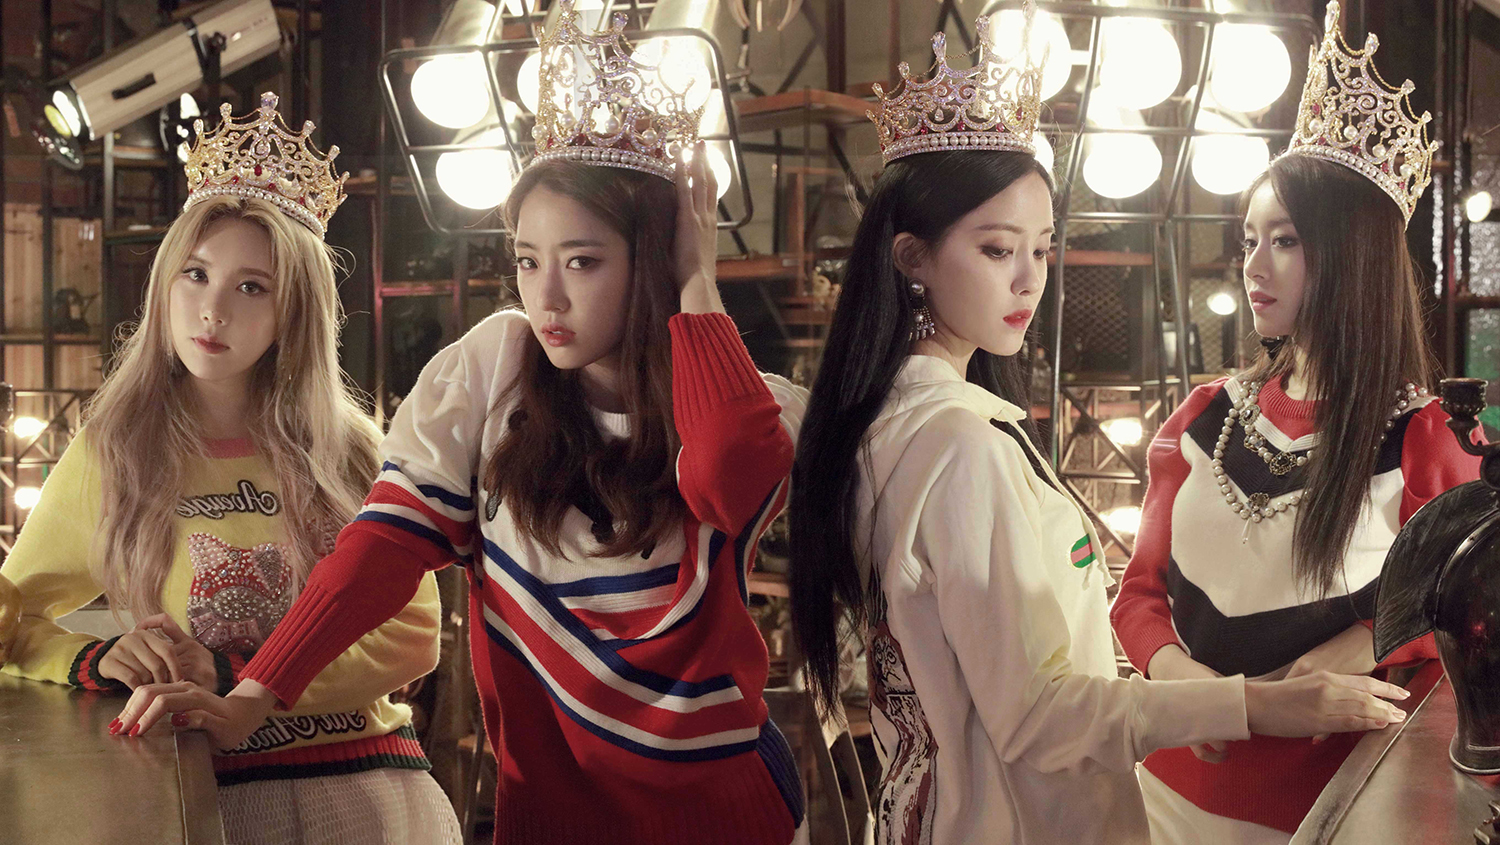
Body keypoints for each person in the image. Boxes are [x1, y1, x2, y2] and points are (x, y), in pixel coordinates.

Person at [114, 7, 809, 844]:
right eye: (528, 259)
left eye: (583, 261)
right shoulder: (493, 373)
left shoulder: (749, 405)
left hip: (725, 814)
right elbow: (381, 549)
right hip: (550, 817)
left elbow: (729, 479)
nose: (547, 296)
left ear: (653, 258)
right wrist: (253, 695)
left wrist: (697, 280)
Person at [786, 8, 1410, 845]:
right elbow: (1047, 706)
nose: (1029, 280)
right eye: (997, 249)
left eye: (1043, 248)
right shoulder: (966, 446)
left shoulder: (878, 421)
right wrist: (1250, 702)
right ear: (912, 259)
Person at [0, 92, 459, 844]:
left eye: (252, 286)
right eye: (195, 274)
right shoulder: (116, 449)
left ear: (293, 310)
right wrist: (98, 657)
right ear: (164, 283)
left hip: (371, 786)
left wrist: (234, 672)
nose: (212, 310)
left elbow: (413, 632)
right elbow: (15, 619)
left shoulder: (352, 447)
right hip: (207, 793)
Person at [1110, 4, 1482, 842]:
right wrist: (1190, 689)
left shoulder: (1425, 439)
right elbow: (1138, 595)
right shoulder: (1201, 417)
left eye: (1284, 240)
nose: (1253, 264)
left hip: (1327, 808)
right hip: (1162, 795)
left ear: (1352, 254)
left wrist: (1370, 643)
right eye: (1249, 238)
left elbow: (1466, 611)